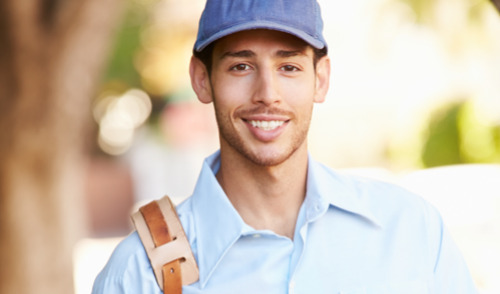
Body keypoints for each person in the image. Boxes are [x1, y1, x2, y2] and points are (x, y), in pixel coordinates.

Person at [92, 0, 478, 293]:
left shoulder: (409, 231)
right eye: (241, 67)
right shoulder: (140, 272)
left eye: (289, 67)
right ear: (202, 79)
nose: (267, 94)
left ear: (320, 79)